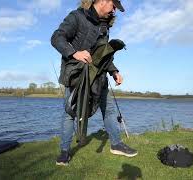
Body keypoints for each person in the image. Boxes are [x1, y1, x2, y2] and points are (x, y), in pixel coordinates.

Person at [51, 0, 137, 166]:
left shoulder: (105, 27)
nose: (114, 11)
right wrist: (74, 53)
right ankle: (64, 152)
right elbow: (57, 37)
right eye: (114, 6)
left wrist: (114, 71)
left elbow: (103, 53)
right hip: (77, 76)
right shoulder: (76, 17)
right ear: (104, 1)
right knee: (71, 113)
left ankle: (116, 144)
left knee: (109, 108)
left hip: (99, 76)